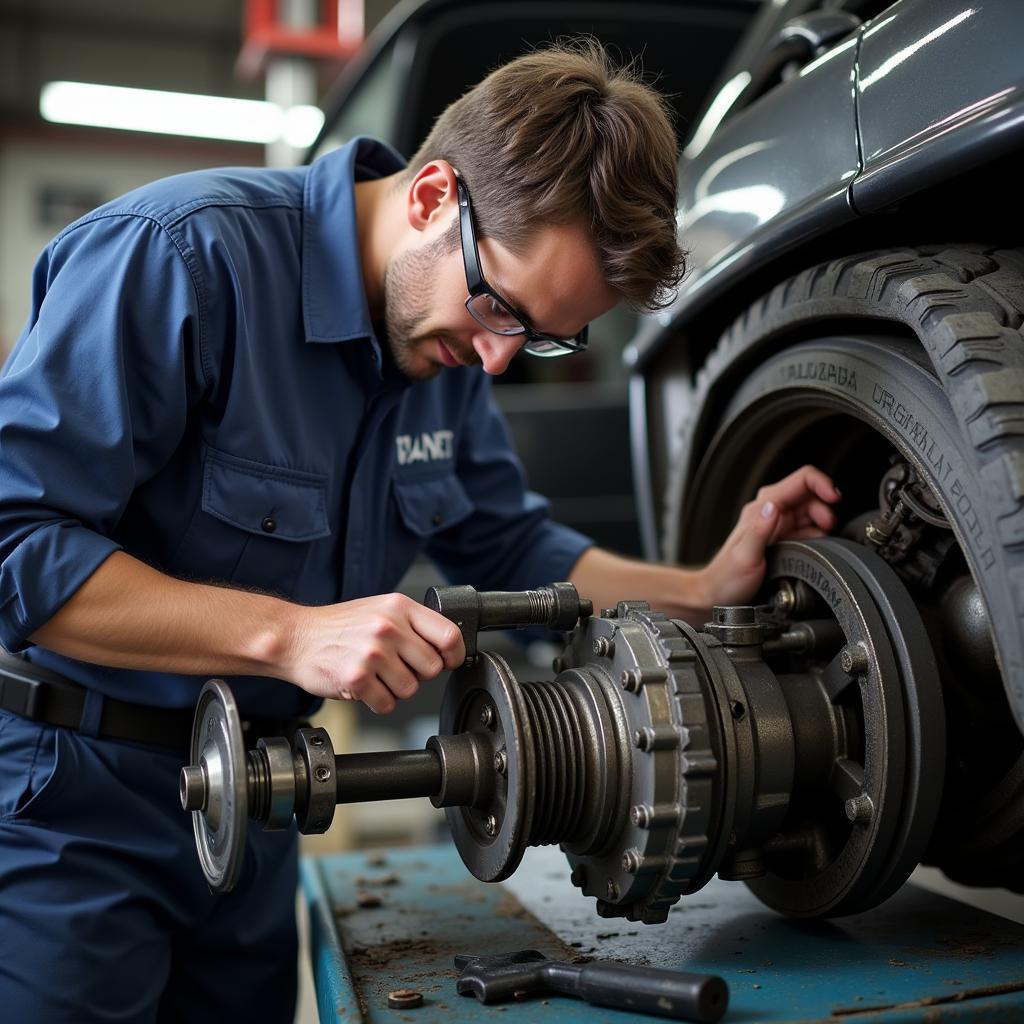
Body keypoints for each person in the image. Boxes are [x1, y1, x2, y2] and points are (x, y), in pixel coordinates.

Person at [0, 40, 839, 1023]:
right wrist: (290, 633)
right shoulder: (183, 258)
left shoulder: (442, 352)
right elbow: (17, 543)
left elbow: (515, 549)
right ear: (434, 193)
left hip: (254, 819)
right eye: (498, 307)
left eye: (542, 336)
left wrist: (707, 584)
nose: (492, 359)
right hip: (74, 807)